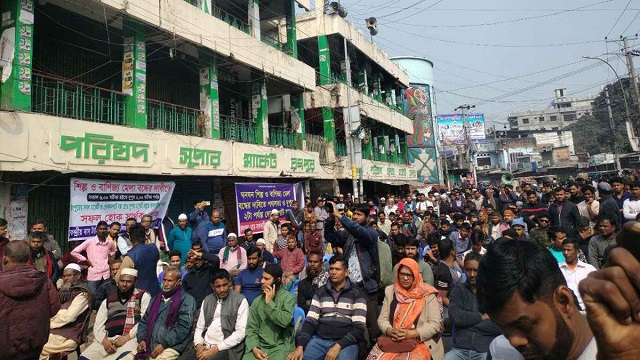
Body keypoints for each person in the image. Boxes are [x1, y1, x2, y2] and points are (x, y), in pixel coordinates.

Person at [476, 240, 596, 360]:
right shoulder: (501, 352)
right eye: (503, 328)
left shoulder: (611, 350)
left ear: (563, 301)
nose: (514, 341)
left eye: (524, 325)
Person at [287, 255, 365, 360]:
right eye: (331, 269)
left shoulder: (357, 294)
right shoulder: (320, 292)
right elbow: (310, 321)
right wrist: (300, 346)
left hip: (346, 343)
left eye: (337, 269)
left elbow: (359, 328)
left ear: (346, 272)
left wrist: (338, 346)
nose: (333, 272)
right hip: (321, 340)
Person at [325, 200, 382, 342]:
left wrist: (340, 216)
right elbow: (330, 237)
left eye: (359, 214)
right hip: (351, 287)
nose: (355, 217)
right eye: (354, 214)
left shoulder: (371, 233)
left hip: (367, 287)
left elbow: (358, 231)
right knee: (354, 325)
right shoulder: (348, 235)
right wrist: (332, 218)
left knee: (372, 326)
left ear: (367, 218)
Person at [366, 257, 443, 360]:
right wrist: (389, 331)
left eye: (409, 275)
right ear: (397, 274)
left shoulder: (428, 294)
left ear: (415, 275)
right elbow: (382, 319)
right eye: (402, 274)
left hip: (420, 341)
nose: (405, 278)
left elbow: (435, 324)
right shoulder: (390, 291)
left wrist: (412, 333)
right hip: (393, 339)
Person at [0, 241, 60, 360]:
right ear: (28, 258)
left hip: (4, 346)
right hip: (34, 343)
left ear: (5, 259)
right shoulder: (43, 279)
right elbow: (54, 308)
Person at [80, 268, 151, 360]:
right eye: (122, 281)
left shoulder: (143, 296)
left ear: (135, 282)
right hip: (107, 340)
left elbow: (144, 321)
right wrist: (104, 341)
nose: (124, 284)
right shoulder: (108, 300)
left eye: (128, 282)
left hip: (130, 339)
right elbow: (98, 325)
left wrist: (126, 338)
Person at [129, 267, 196, 360]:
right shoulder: (156, 298)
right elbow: (144, 321)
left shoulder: (187, 300)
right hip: (149, 344)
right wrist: (142, 339)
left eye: (169, 281)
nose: (165, 284)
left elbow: (183, 328)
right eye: (164, 280)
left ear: (179, 282)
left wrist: (164, 344)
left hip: (172, 346)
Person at [445, 252, 501, 360]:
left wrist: (465, 323)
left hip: (485, 351)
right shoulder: (458, 290)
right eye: (468, 270)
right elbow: (455, 317)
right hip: (460, 350)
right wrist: (481, 317)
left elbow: (498, 326)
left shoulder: (492, 293)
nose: (472, 274)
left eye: (476, 270)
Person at [182, 269, 249, 360]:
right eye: (218, 286)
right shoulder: (207, 300)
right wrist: (198, 346)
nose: (222, 289)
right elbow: (200, 327)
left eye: (225, 285)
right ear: (212, 287)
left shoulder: (240, 301)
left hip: (226, 348)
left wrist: (216, 348)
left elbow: (241, 333)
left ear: (229, 283)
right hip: (205, 345)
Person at [40, 263, 93, 360]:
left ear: (78, 276)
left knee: (39, 347)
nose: (65, 278)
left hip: (69, 333)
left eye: (69, 275)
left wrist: (48, 322)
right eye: (64, 276)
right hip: (53, 329)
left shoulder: (83, 294)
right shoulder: (63, 292)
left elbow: (69, 317)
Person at [243, 263, 296, 360]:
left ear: (277, 280)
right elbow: (251, 328)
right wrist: (255, 348)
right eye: (262, 278)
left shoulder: (287, 298)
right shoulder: (257, 301)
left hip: (280, 346)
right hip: (260, 345)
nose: (262, 281)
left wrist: (269, 303)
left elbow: (285, 321)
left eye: (267, 279)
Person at [71, 221, 117, 293]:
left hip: (106, 274)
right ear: (96, 229)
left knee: (106, 295)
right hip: (94, 275)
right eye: (100, 229)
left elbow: (114, 250)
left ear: (107, 230)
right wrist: (85, 260)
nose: (102, 231)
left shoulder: (109, 242)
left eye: (104, 229)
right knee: (91, 296)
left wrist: (109, 255)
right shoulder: (90, 241)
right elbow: (74, 252)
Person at [118, 224, 161, 297]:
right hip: (155, 290)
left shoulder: (130, 257)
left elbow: (118, 278)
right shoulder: (154, 249)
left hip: (139, 294)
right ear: (145, 236)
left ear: (130, 238)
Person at [558, 238, 596, 311]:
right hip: (566, 309)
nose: (566, 253)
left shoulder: (589, 269)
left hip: (587, 308)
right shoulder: (557, 269)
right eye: (563, 250)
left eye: (569, 250)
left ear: (577, 251)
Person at [183, 242, 221, 310]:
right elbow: (183, 293)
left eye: (200, 259)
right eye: (196, 260)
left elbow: (216, 259)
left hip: (207, 307)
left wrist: (199, 254)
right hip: (191, 308)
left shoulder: (210, 271)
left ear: (205, 260)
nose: (198, 261)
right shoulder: (188, 276)